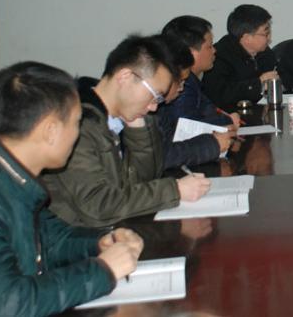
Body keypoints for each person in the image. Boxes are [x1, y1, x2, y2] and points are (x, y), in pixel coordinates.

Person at [0, 62, 144, 316]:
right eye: (76, 122)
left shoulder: (11, 175)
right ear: (51, 130)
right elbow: (4, 305)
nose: (78, 133)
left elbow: (52, 241)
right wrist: (103, 271)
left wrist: (100, 242)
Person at [42, 35, 211, 227]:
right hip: (79, 237)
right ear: (125, 77)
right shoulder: (78, 124)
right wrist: (175, 191)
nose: (154, 107)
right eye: (155, 95)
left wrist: (139, 132)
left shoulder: (119, 119)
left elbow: (142, 183)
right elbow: (97, 206)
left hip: (118, 230)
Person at [157, 17, 237, 169]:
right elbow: (184, 128)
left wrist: (225, 120)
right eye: (209, 46)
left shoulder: (191, 81)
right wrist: (223, 126)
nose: (214, 50)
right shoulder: (183, 86)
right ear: (190, 53)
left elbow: (209, 110)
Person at [202, 4, 278, 110]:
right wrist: (258, 83)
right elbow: (219, 95)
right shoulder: (218, 57)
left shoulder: (265, 53)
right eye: (266, 33)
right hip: (228, 115)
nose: (269, 38)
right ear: (246, 37)